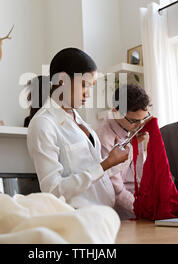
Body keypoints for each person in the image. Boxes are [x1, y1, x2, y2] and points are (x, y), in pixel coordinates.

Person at [26, 48, 130, 209]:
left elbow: (94, 175)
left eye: (91, 86)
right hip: (77, 219)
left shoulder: (78, 119)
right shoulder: (43, 124)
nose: (88, 94)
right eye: (84, 85)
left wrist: (114, 161)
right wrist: (105, 164)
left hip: (103, 216)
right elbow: (53, 190)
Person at [95, 84, 152, 219]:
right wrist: (144, 210)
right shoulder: (104, 139)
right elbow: (117, 190)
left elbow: (136, 176)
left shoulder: (131, 130)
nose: (140, 125)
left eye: (144, 118)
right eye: (134, 121)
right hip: (118, 213)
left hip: (135, 202)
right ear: (116, 111)